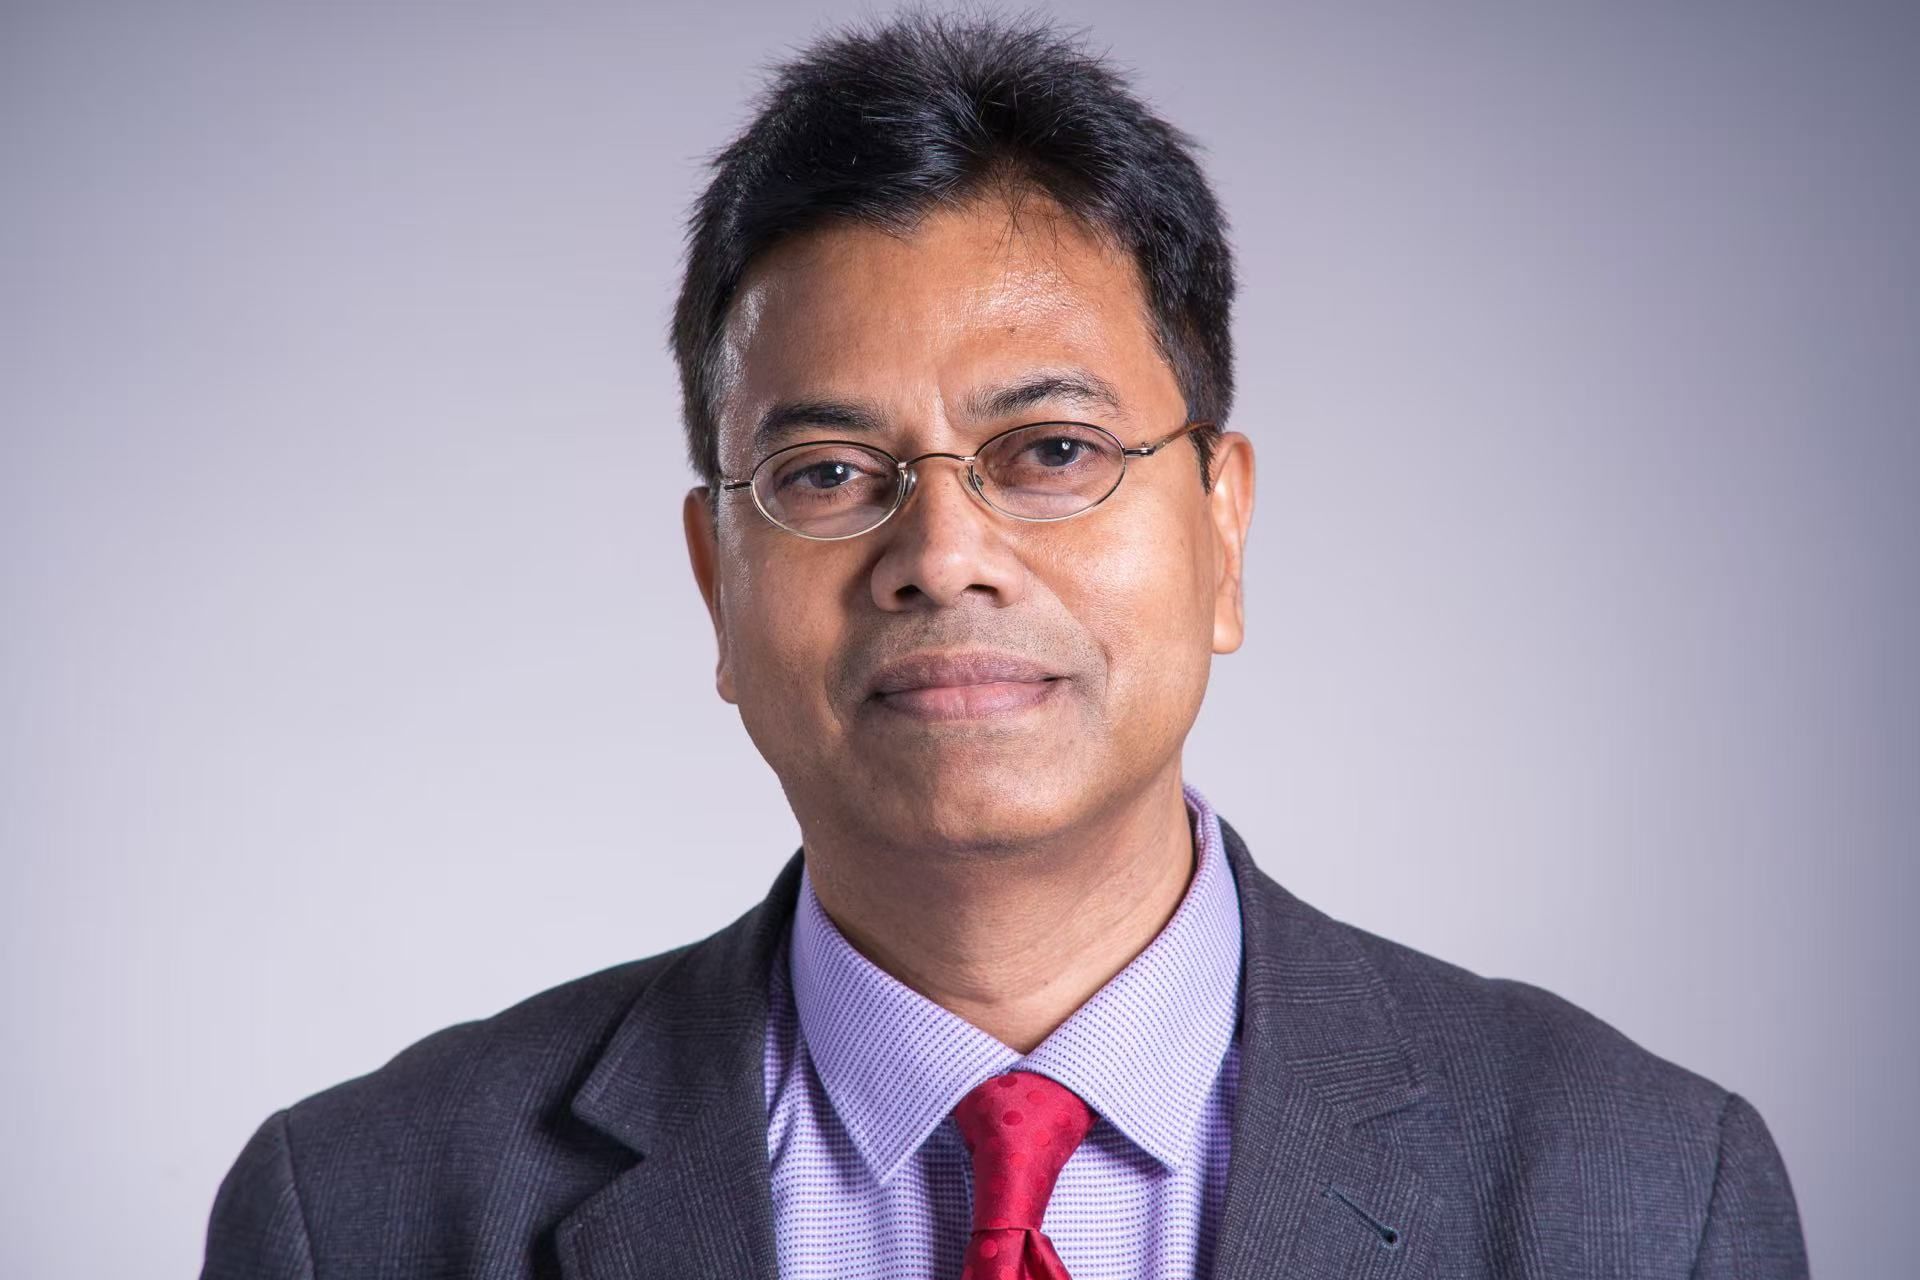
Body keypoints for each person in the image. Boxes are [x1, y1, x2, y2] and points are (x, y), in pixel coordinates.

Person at [200, 11, 1809, 1279]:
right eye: (829, 475)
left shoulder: (1644, 1192)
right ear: (714, 580)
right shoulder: (359, 1212)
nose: (943, 557)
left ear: (1223, 528)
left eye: (1050, 451)